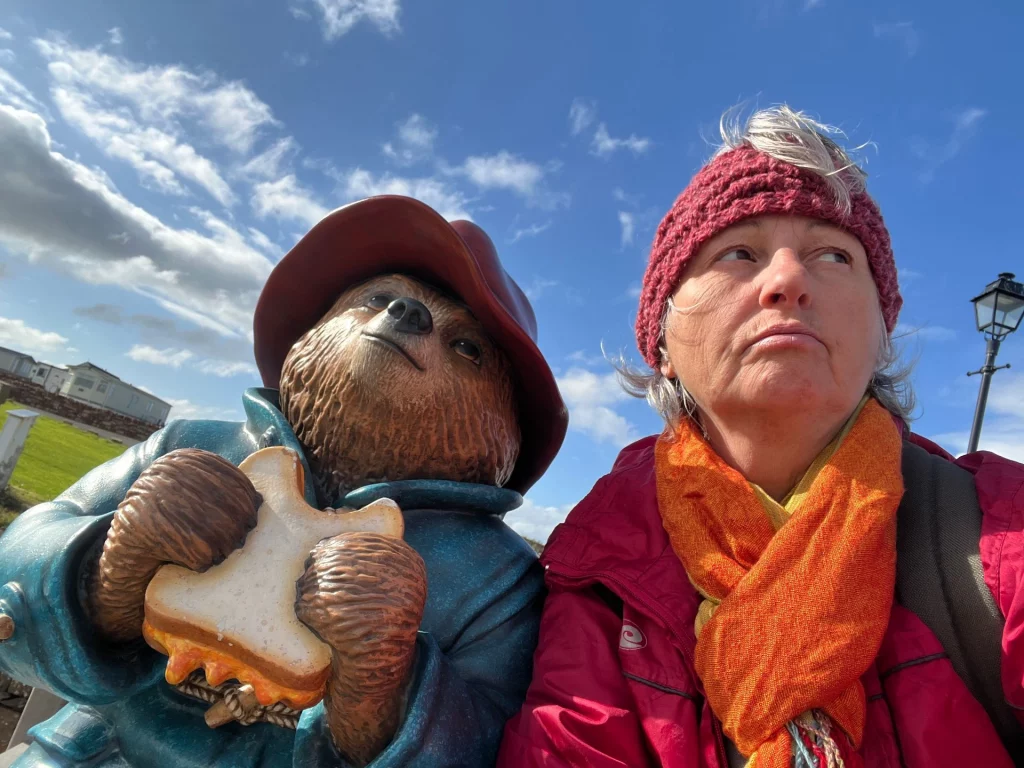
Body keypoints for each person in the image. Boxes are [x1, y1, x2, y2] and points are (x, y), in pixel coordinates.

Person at [497, 106, 1024, 767]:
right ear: (662, 341)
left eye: (833, 255)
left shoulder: (1002, 532)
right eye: (738, 253)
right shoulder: (598, 569)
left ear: (881, 331)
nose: (788, 280)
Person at [0, 195, 568, 767]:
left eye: (466, 347)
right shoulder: (191, 444)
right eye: (378, 298)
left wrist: (381, 692)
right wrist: (108, 573)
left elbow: (495, 740)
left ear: (505, 424)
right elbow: (17, 564)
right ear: (316, 327)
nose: (406, 316)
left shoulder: (497, 578)